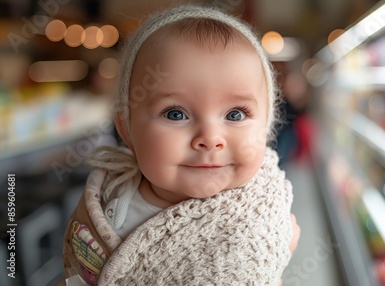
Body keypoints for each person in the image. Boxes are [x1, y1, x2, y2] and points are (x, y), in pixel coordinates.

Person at [61, 4, 300, 286]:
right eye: (176, 114)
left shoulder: (264, 222)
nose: (211, 138)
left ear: (265, 128)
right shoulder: (109, 190)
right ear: (127, 130)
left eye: (235, 114)